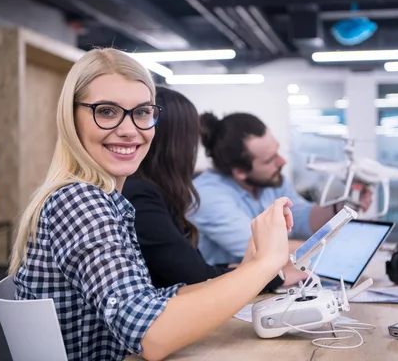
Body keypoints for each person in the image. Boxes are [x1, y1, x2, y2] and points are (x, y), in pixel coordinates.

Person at [9, 48, 294, 361]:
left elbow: (150, 301)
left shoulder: (107, 200)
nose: (130, 130)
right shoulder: (80, 201)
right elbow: (151, 335)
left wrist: (251, 269)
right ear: (71, 117)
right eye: (106, 111)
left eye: (142, 112)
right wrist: (267, 265)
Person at [122, 86, 306, 291]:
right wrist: (274, 277)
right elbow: (194, 277)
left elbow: (199, 269)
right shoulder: (140, 196)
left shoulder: (157, 193)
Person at [190, 112, 372, 266]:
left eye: (277, 151)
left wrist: (342, 206)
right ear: (240, 171)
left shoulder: (270, 182)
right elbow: (261, 249)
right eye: (269, 160)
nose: (282, 162)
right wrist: (342, 249)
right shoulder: (206, 196)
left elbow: (302, 217)